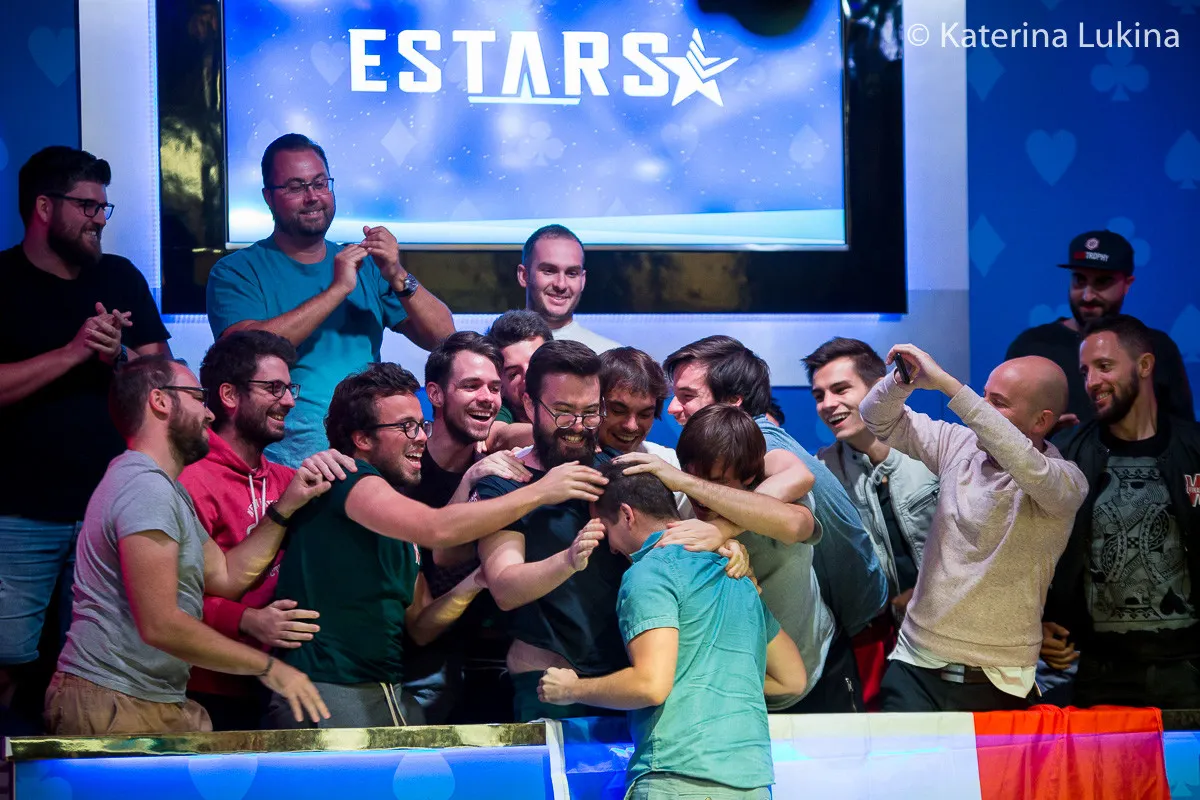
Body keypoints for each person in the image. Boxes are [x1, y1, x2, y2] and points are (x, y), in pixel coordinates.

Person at [266, 362, 609, 728]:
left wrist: (476, 582)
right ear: (362, 439)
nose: (420, 437)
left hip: (383, 692)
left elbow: (421, 624)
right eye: (406, 427)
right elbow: (437, 529)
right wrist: (541, 491)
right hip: (323, 690)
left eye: (421, 425)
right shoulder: (346, 477)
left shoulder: (395, 518)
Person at [47, 356, 339, 735]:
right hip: (114, 698)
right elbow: (161, 624)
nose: (209, 413)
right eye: (198, 397)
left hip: (148, 698)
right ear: (160, 401)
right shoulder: (145, 488)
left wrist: (284, 507)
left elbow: (226, 576)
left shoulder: (164, 488)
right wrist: (269, 667)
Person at [475, 340, 754, 721]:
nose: (578, 426)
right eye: (563, 413)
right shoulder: (503, 482)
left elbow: (669, 540)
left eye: (590, 413)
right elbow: (505, 589)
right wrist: (568, 559)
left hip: (629, 679)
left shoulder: (624, 468)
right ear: (529, 404)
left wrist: (721, 542)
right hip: (550, 683)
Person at [0, 146, 171, 729]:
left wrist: (118, 354)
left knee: (101, 666)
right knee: (7, 658)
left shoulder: (119, 276)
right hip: (18, 509)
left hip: (109, 508)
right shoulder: (2, 281)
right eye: (88, 206)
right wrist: (73, 353)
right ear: (44, 207)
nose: (100, 218)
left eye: (104, 206)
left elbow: (162, 375)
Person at [537, 464, 807, 800]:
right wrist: (706, 676)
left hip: (678, 776)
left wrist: (572, 689)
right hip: (752, 783)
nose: (611, 548)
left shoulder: (649, 573)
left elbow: (650, 685)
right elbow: (792, 679)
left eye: (605, 528)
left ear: (627, 515)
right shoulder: (737, 575)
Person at [664, 335, 887, 711]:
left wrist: (722, 528)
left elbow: (799, 479)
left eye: (687, 396)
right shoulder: (751, 440)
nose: (672, 408)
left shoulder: (760, 443)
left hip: (852, 632)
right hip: (827, 633)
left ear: (733, 401)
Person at [859, 344, 1088, 712]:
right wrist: (901, 381)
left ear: (1041, 421)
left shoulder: (1065, 482)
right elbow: (876, 417)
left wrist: (948, 386)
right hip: (916, 665)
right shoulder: (958, 445)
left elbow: (1028, 465)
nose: (979, 409)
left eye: (997, 402)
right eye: (983, 395)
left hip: (1000, 681)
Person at [206, 133, 456, 467]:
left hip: (367, 460)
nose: (312, 197)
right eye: (295, 187)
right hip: (284, 464)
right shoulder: (236, 271)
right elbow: (243, 353)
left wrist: (396, 273)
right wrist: (337, 290)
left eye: (320, 183)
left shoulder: (366, 266)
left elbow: (444, 338)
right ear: (268, 197)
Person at [1043, 315, 1200, 709]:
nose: (1092, 381)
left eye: (1104, 366)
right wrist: (1037, 625)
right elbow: (1032, 549)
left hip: (1188, 668)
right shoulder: (1068, 455)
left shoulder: (1194, 448)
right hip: (1099, 673)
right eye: (1085, 371)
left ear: (1144, 366)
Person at [644, 404, 832, 715]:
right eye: (692, 477)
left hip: (807, 674)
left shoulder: (783, 499)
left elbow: (795, 523)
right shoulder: (679, 505)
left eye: (717, 482)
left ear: (750, 477)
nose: (700, 494)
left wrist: (720, 527)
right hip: (725, 688)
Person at [177, 330, 318, 731]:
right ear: (229, 395)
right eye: (274, 388)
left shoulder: (288, 478)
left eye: (289, 388)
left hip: (280, 682)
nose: (289, 401)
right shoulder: (189, 479)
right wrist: (246, 619)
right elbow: (165, 605)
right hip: (206, 687)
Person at [401, 332, 531, 724]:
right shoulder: (404, 469)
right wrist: (471, 478)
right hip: (420, 668)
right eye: (471, 386)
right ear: (436, 394)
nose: (487, 397)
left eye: (494, 387)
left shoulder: (500, 452)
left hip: (495, 660)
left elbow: (534, 432)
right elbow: (438, 556)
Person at [805, 338, 937, 710]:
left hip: (950, 635)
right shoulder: (819, 473)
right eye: (819, 395)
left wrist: (926, 593)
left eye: (840, 389)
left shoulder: (938, 450)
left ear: (879, 387)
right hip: (876, 648)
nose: (828, 404)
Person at [1006, 229, 1193, 426]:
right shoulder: (1031, 347)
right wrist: (1039, 435)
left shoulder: (1156, 347)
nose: (1087, 296)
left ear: (1127, 284)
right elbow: (1003, 426)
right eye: (1080, 279)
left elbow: (1184, 432)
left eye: (1102, 281)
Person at [518, 224, 620, 353]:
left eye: (571, 273)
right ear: (523, 275)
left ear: (582, 280)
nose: (561, 284)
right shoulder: (496, 352)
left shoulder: (607, 356)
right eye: (549, 271)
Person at [486, 309, 552, 424]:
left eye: (535, 364)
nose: (528, 377)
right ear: (500, 387)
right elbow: (498, 432)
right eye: (514, 374)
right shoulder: (500, 410)